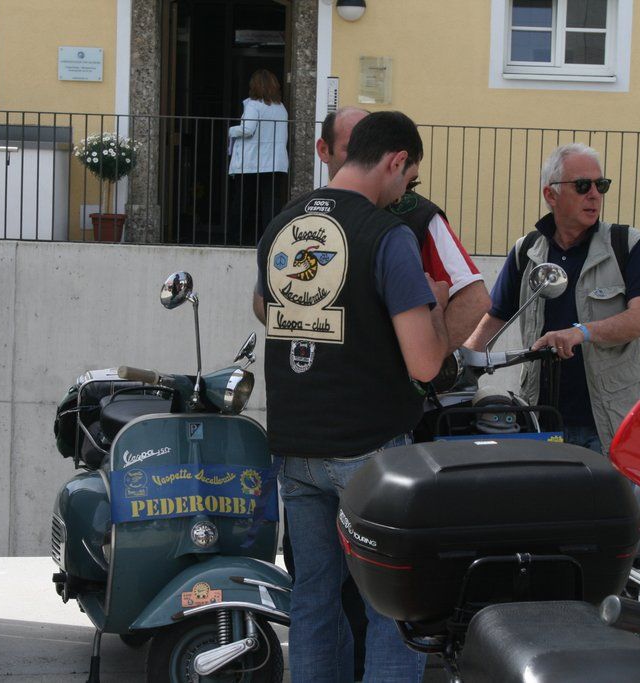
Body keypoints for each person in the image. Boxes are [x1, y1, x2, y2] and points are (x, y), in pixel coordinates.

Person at [254, 111, 445, 682]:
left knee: (314, 596)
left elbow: (264, 307)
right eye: (409, 178)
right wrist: (434, 306)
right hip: (370, 449)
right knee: (393, 603)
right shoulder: (387, 234)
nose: (406, 192)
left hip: (296, 446)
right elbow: (426, 363)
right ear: (395, 160)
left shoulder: (283, 223)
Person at [465, 142, 640, 455]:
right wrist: (460, 369)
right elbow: (495, 317)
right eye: (582, 185)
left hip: (615, 422)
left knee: (616, 492)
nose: (594, 194)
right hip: (544, 420)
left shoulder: (627, 244)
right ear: (551, 194)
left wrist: (580, 332)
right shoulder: (526, 251)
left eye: (600, 185)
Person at [317, 107, 491, 350]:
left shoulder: (416, 214)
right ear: (324, 150)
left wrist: (421, 360)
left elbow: (474, 300)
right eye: (351, 148)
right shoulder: (305, 212)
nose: (363, 156)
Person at [228, 68, 289, 244]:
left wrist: (231, 130)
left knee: (242, 201)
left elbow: (247, 129)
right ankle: (271, 240)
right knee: (271, 203)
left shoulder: (253, 105)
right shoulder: (280, 108)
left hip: (251, 162)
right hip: (275, 162)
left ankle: (234, 240)